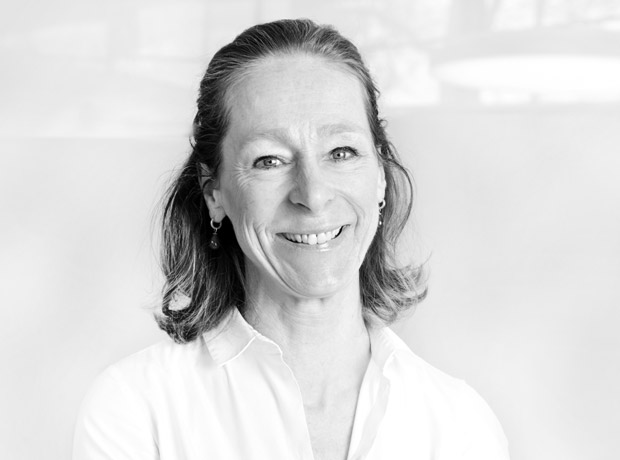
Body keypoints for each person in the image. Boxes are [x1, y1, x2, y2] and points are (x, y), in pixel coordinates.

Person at [73, 19, 509, 460]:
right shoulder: (136, 410)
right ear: (214, 193)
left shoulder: (461, 426)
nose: (313, 195)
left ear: (379, 177)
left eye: (341, 152)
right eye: (269, 160)